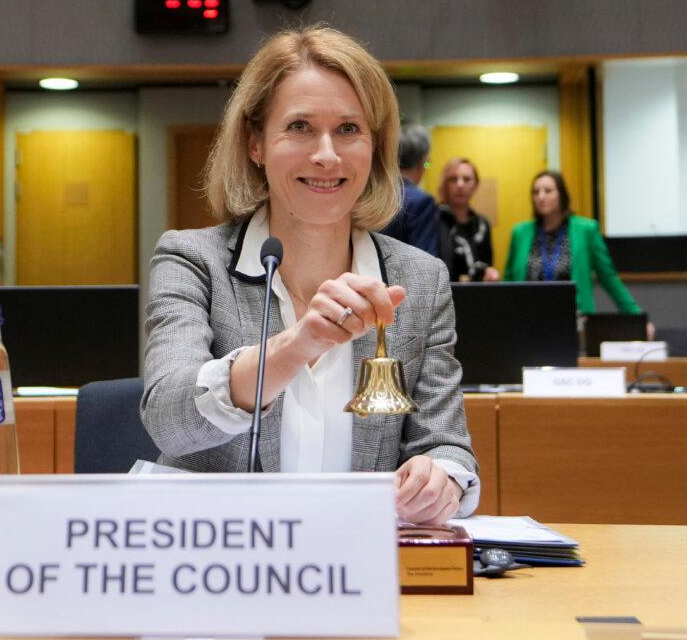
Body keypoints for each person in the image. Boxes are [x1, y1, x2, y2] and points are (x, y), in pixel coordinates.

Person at [141, 26, 479, 526]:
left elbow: (447, 444)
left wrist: (442, 480)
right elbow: (168, 418)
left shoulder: (419, 279)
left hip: (354, 571)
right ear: (255, 142)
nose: (327, 154)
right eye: (300, 127)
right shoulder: (194, 260)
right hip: (218, 571)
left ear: (375, 146)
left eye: (348, 129)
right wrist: (296, 344)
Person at [504, 170, 644, 317]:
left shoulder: (586, 230)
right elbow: (509, 281)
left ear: (561, 195)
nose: (541, 197)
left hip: (573, 318)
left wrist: (637, 316)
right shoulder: (520, 233)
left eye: (548, 191)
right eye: (536, 192)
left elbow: (608, 278)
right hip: (528, 317)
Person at [380, 125, 440, 258]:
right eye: (427, 164)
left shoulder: (376, 195)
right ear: (422, 162)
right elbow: (425, 259)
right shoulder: (422, 202)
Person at [436, 158, 500, 282]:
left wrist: (490, 274)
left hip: (476, 296)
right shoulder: (433, 220)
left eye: (466, 179)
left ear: (475, 185)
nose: (460, 185)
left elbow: (487, 264)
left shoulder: (483, 225)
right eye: (453, 179)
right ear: (445, 185)